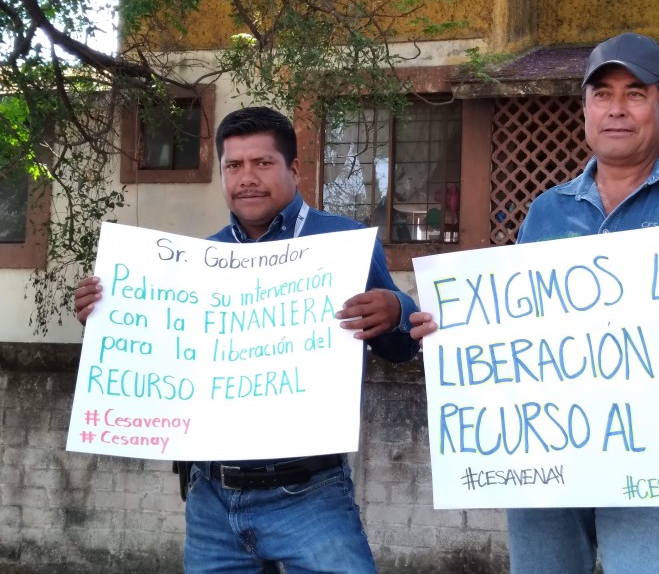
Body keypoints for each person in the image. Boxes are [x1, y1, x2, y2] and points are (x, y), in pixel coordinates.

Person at [410, 32, 659, 573]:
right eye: (602, 94)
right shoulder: (547, 210)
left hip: (657, 455)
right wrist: (456, 333)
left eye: (635, 93)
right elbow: (520, 332)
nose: (617, 109)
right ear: (584, 108)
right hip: (547, 454)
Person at [74, 106, 420, 574]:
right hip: (211, 499)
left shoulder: (344, 243)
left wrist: (397, 310)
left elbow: (399, 351)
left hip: (310, 494)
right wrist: (108, 317)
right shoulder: (199, 259)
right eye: (233, 166)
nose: (247, 178)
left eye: (262, 163)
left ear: (293, 169)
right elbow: (174, 359)